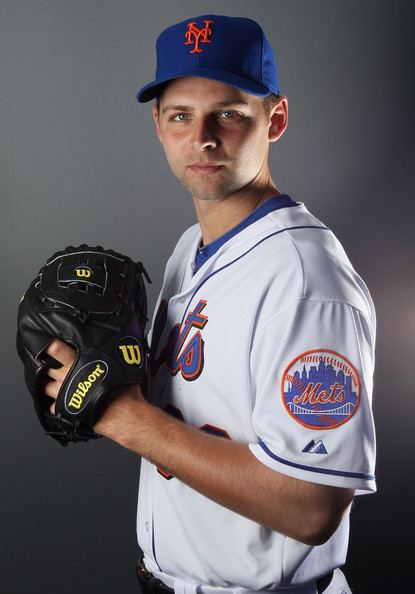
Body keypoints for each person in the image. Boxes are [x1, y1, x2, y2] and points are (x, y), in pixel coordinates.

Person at [44, 14, 376, 594]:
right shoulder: (189, 249)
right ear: (158, 124)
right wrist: (96, 373)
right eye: (181, 115)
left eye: (227, 113)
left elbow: (312, 507)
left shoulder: (304, 279)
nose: (202, 137)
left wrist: (125, 417)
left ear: (276, 119)